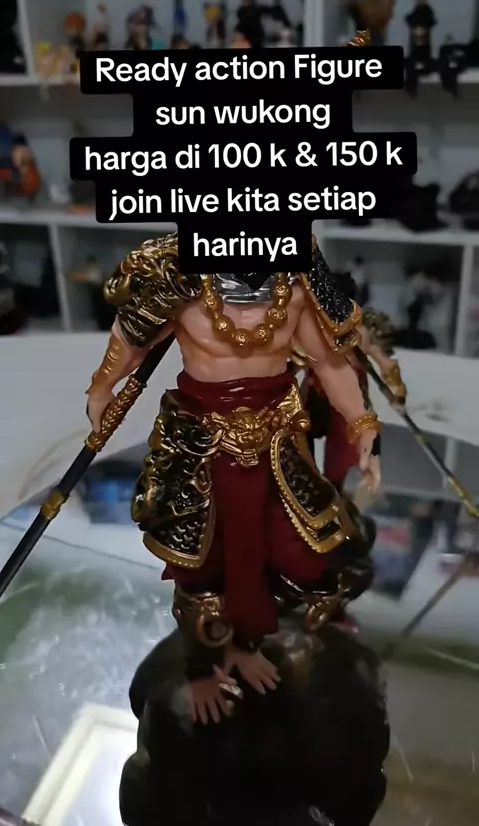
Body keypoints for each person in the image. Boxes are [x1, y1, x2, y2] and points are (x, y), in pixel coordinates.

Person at [86, 234, 382, 725]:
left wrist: (362, 423)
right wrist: (102, 388)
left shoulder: (296, 280)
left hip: (276, 440)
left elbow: (330, 362)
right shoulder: (180, 275)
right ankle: (201, 667)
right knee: (201, 567)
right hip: (200, 441)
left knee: (294, 557)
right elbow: (132, 337)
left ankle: (246, 642)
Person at [296, 266, 407, 493]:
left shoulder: (361, 332)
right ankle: (306, 478)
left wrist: (397, 394)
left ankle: (334, 489)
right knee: (297, 430)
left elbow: (386, 364)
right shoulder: (310, 324)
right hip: (315, 392)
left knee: (344, 447)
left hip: (348, 396)